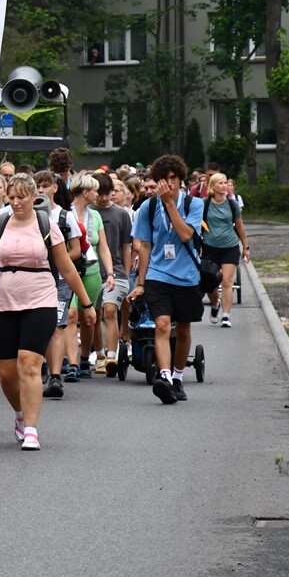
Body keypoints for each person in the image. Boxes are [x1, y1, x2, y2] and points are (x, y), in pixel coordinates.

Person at [0, 174, 93, 451]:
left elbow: (66, 267)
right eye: (10, 198)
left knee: (28, 363)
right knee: (6, 370)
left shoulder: (45, 224)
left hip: (41, 297)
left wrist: (86, 303)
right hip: (4, 299)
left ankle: (32, 430)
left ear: (33, 195)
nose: (15, 202)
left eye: (20, 197)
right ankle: (19, 415)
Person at [128, 154, 205, 405]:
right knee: (161, 325)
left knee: (182, 330)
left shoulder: (193, 204)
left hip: (187, 277)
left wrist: (170, 204)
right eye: (164, 179)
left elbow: (185, 235)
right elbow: (145, 247)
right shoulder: (148, 208)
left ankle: (178, 376)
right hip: (158, 275)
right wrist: (141, 283)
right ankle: (164, 377)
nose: (169, 183)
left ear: (181, 179)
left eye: (173, 178)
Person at [33, 171, 83, 398]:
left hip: (60, 280)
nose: (41, 190)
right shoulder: (28, 215)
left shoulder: (65, 216)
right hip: (35, 279)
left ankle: (55, 377)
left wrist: (56, 259)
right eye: (37, 186)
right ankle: (39, 366)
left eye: (45, 185)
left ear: (55, 188)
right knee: (38, 326)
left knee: (57, 326)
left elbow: (76, 250)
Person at [68, 173, 115, 377]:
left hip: (92, 270)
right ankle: (71, 364)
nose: (98, 194)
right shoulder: (64, 213)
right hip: (68, 271)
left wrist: (110, 273)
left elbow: (103, 248)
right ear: (85, 193)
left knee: (88, 317)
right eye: (95, 190)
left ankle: (85, 358)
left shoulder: (95, 216)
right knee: (70, 316)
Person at [92, 172, 132, 375]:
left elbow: (126, 246)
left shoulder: (121, 214)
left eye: (108, 193)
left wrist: (124, 273)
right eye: (100, 193)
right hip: (91, 270)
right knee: (93, 315)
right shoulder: (88, 212)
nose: (104, 197)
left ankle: (111, 355)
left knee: (109, 310)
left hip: (115, 271)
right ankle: (98, 354)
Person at [201, 172, 250, 328]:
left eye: (225, 183)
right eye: (220, 183)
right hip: (210, 246)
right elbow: (197, 224)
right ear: (213, 186)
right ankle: (215, 304)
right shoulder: (204, 204)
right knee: (211, 282)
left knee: (227, 281)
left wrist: (246, 247)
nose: (224, 186)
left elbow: (240, 226)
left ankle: (226, 315)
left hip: (230, 246)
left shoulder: (232, 204)